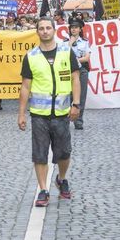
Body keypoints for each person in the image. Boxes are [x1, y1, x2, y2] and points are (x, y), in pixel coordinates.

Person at [18, 17, 81, 207]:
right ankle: (43, 190)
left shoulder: (66, 52)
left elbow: (75, 79)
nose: (45, 31)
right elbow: (25, 87)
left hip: (62, 113)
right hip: (39, 114)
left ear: (54, 30)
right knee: (40, 154)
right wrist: (21, 113)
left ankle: (61, 179)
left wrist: (76, 104)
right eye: (41, 29)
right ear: (37, 32)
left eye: (48, 28)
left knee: (64, 153)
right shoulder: (31, 56)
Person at [65, 16, 91, 130]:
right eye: (72, 27)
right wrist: (70, 43)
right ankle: (65, 119)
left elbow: (86, 58)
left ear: (80, 29)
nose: (74, 29)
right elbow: (64, 55)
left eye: (76, 27)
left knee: (81, 96)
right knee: (67, 96)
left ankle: (78, 120)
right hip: (68, 71)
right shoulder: (65, 42)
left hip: (82, 71)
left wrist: (74, 60)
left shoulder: (85, 42)